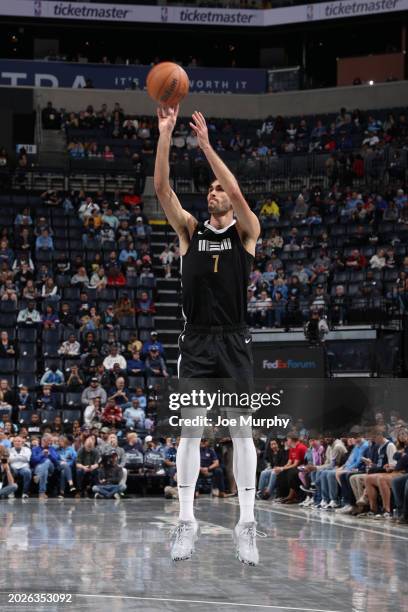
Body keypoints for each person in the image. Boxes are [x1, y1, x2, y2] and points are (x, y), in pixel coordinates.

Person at [154, 106, 260, 564]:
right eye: (212, 190)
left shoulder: (248, 233)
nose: (216, 193)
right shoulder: (190, 231)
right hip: (195, 340)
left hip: (234, 340)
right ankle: (186, 521)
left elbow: (236, 189)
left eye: (221, 190)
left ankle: (247, 524)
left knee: (242, 432)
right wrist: (165, 134)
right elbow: (162, 189)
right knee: (190, 431)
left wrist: (206, 147)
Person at [30, 434, 60, 499]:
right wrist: (41, 454)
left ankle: (38, 476)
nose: (51, 442)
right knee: (44, 471)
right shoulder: (35, 449)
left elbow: (56, 462)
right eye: (49, 440)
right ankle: (42, 493)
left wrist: (49, 455)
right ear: (43, 440)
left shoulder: (52, 449)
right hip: (38, 467)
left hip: (51, 468)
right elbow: (33, 461)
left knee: (47, 461)